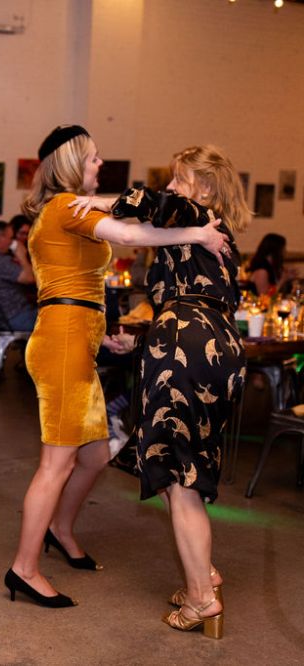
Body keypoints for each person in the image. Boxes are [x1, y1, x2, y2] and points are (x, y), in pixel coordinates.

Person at [5, 125, 230, 608]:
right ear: (70, 165)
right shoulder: (66, 205)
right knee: (56, 463)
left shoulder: (70, 207)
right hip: (62, 341)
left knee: (93, 456)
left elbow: (78, 280)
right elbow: (130, 233)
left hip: (77, 336)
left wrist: (104, 334)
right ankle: (23, 568)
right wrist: (199, 233)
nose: (99, 165)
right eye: (93, 158)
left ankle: (61, 528)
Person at [85, 144, 250, 638]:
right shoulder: (218, 236)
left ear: (202, 187)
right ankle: (206, 576)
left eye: (180, 179)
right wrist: (135, 340)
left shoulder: (196, 214)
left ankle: (202, 600)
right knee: (189, 471)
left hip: (187, 344)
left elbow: (149, 203)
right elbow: (195, 302)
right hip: (217, 347)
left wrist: (93, 203)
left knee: (178, 478)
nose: (173, 187)